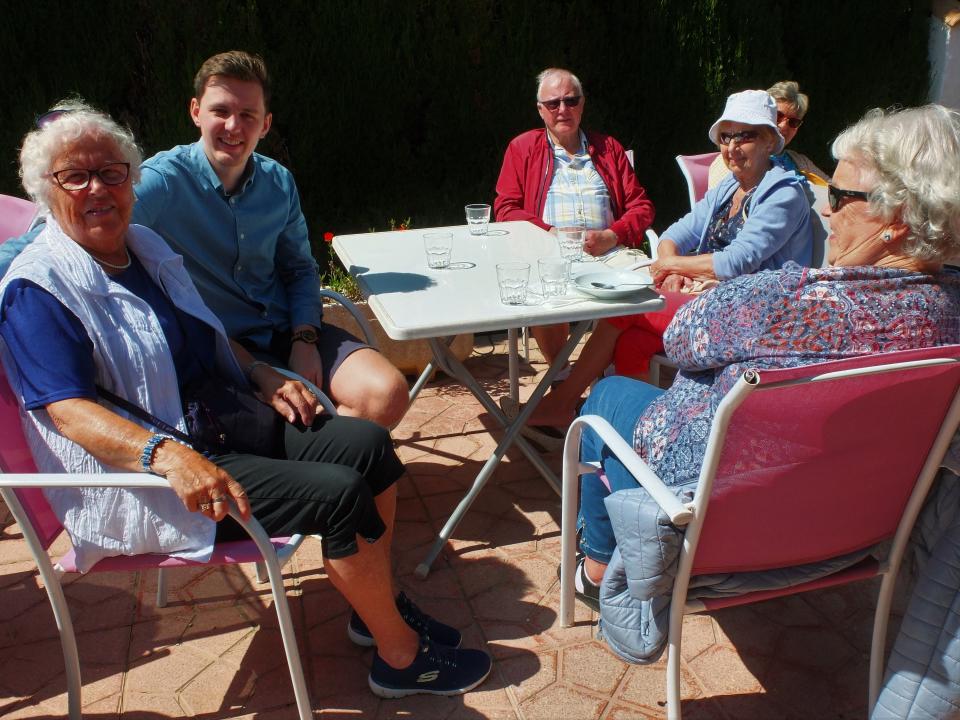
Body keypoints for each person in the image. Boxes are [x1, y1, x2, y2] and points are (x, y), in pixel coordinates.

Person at [0, 102, 491, 697]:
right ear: (45, 191)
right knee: (340, 495)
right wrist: (168, 455)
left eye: (111, 172)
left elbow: (203, 329)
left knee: (368, 446)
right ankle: (399, 656)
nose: (97, 189)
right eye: (74, 177)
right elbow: (67, 410)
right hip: (151, 472)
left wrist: (260, 372)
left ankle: (374, 607)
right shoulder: (38, 289)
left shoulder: (143, 247)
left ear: (132, 180)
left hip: (216, 418)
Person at [571, 104, 960, 613]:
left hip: (710, 530)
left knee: (604, 399)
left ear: (898, 218)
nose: (826, 210)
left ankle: (599, 567)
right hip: (857, 534)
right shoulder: (950, 314)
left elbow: (683, 338)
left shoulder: (786, 302)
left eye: (841, 197)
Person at [0, 51, 408, 428]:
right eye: (221, 111)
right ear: (196, 112)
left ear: (265, 124)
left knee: (385, 395)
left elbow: (299, 268)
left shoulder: (278, 182)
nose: (234, 126)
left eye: (248, 114)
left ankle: (339, 478)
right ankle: (327, 481)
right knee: (307, 433)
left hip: (288, 332)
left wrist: (304, 337)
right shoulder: (162, 183)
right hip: (225, 353)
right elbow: (55, 233)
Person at [519, 90, 814, 441]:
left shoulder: (783, 193)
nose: (732, 147)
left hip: (752, 316)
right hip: (712, 300)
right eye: (726, 136)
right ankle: (642, 434)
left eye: (745, 135)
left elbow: (738, 261)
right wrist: (674, 267)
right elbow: (676, 233)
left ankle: (562, 403)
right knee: (631, 342)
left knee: (627, 308)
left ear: (769, 141)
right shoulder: (728, 189)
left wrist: (677, 266)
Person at [494, 67, 655, 366]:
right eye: (553, 104)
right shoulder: (523, 148)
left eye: (571, 100)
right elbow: (506, 208)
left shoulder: (609, 148)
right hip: (549, 252)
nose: (563, 109)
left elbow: (641, 206)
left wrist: (613, 234)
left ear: (582, 104)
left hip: (608, 252)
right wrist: (551, 233)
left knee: (647, 289)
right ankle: (562, 374)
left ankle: (603, 371)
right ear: (541, 110)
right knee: (546, 296)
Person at [708, 80, 830, 188]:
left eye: (793, 122)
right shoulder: (733, 159)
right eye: (778, 115)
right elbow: (719, 209)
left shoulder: (799, 160)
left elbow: (832, 187)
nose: (783, 126)